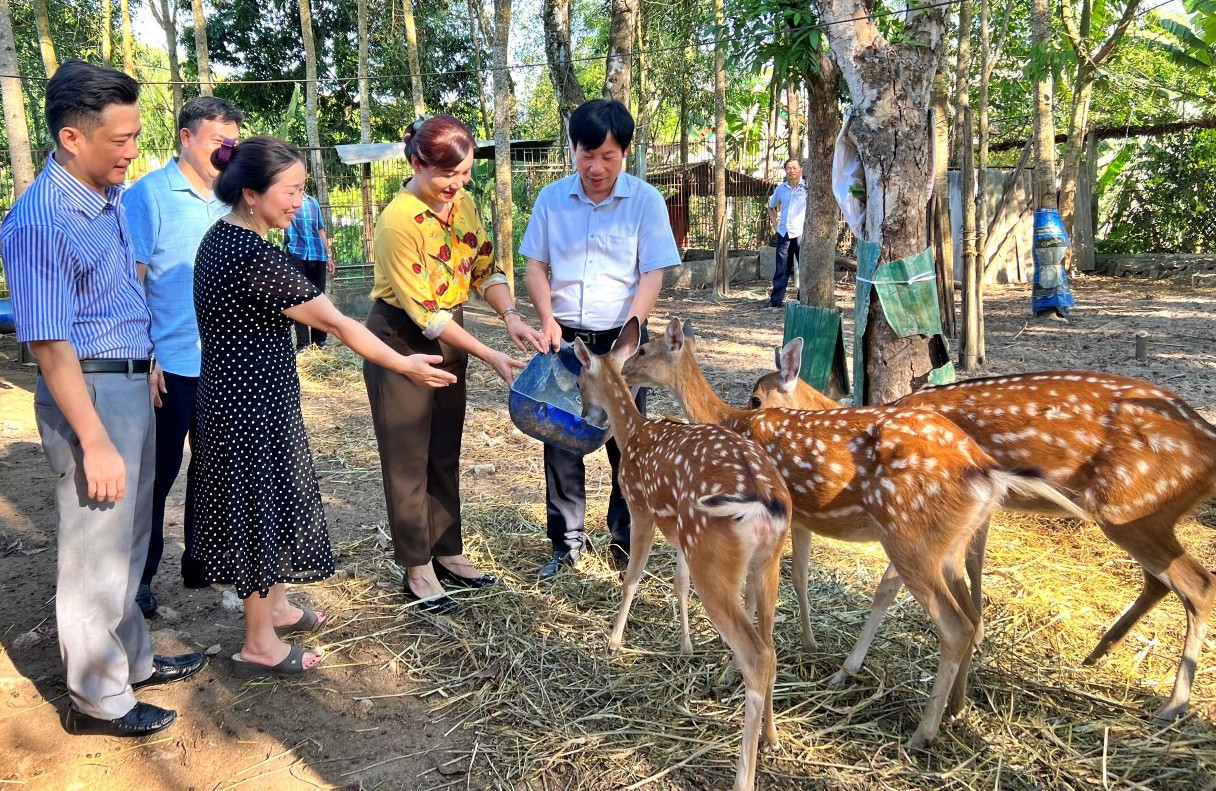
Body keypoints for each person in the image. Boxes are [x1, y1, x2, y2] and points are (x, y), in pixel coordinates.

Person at [192, 136, 458, 676]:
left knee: (271, 502)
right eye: (290, 191)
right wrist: (405, 364)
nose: (298, 202)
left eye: (301, 190)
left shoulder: (225, 239)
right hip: (246, 408)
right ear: (250, 193)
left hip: (247, 396)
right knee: (256, 513)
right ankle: (259, 641)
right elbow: (337, 322)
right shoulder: (249, 255)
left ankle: (279, 606)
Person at [0, 61, 206, 737]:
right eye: (120, 138)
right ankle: (98, 699)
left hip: (129, 377)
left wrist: (143, 360)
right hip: (87, 391)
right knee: (96, 548)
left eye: (134, 135)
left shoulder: (106, 194)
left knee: (131, 532)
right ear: (71, 137)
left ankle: (132, 660)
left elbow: (114, 296)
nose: (132, 151)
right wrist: (92, 438)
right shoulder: (40, 221)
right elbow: (51, 346)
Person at [364, 115, 547, 614]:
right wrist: (488, 353)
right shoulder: (398, 222)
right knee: (408, 459)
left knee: (444, 448)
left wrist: (510, 314)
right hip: (402, 337)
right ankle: (416, 566)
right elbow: (425, 313)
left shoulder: (461, 201)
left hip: (452, 330)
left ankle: (447, 551)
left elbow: (484, 265)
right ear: (417, 163)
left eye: (465, 175)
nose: (457, 186)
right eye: (448, 176)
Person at [521, 98, 681, 579]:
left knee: (627, 441)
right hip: (568, 341)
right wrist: (547, 318)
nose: (596, 167)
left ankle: (625, 539)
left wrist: (631, 334)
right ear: (572, 149)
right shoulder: (552, 199)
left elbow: (652, 273)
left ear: (625, 153)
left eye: (608, 157)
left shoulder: (646, 202)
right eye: (586, 155)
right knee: (563, 436)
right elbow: (534, 264)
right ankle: (566, 544)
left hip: (622, 342)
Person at [123, 95, 244, 617]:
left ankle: (204, 559)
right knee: (158, 472)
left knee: (217, 470)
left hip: (223, 361)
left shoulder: (232, 198)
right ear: (187, 137)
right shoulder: (147, 196)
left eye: (233, 143)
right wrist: (143, 353)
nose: (227, 151)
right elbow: (132, 282)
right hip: (169, 363)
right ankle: (140, 575)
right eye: (220, 141)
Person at [284, 192, 334, 350]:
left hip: (317, 254)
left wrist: (329, 255)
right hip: (297, 254)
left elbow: (320, 230)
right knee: (300, 299)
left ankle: (320, 341)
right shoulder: (287, 201)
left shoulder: (313, 202)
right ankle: (303, 344)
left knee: (319, 298)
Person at [766, 157, 806, 308]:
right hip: (784, 233)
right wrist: (776, 225)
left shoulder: (807, 187)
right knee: (781, 268)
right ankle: (775, 301)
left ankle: (803, 299)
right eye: (789, 168)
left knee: (804, 267)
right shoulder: (780, 189)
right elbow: (771, 206)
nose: (791, 171)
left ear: (801, 169)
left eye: (794, 168)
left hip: (802, 233)